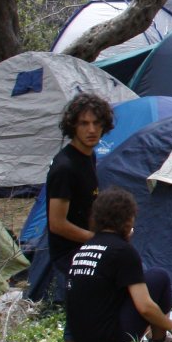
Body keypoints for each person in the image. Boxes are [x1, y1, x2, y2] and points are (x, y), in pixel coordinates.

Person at [63, 190, 172, 342]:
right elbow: (145, 307)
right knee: (158, 277)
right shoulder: (122, 251)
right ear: (128, 220)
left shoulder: (83, 249)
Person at [40, 93, 113, 303]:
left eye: (96, 123)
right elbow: (57, 224)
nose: (91, 130)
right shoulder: (65, 167)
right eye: (84, 123)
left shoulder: (89, 156)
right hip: (69, 255)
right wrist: (98, 240)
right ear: (73, 126)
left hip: (88, 243)